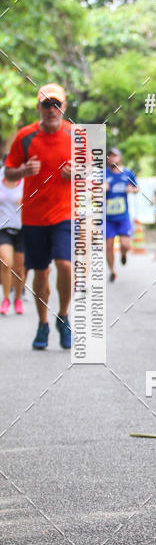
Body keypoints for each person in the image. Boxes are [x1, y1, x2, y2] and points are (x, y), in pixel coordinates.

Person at [4, 84, 73, 349]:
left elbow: (90, 170)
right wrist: (22, 171)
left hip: (64, 213)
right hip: (33, 216)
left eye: (57, 105)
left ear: (64, 107)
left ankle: (63, 317)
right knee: (41, 272)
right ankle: (43, 323)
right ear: (38, 108)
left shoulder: (76, 136)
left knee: (65, 265)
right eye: (47, 104)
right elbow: (8, 174)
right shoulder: (25, 136)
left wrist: (77, 172)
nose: (52, 110)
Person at [105, 147, 139, 282]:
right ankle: (112, 271)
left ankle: (123, 254)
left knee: (125, 245)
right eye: (110, 156)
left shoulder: (128, 173)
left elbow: (137, 187)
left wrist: (132, 189)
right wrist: (101, 188)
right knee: (108, 245)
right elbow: (93, 187)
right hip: (108, 217)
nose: (112, 158)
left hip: (123, 216)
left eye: (115, 156)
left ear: (120, 158)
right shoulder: (103, 174)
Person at [0, 155, 26, 315]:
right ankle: (5, 299)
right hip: (3, 227)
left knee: (19, 268)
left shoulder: (26, 181)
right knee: (5, 262)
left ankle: (17, 298)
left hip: (22, 228)